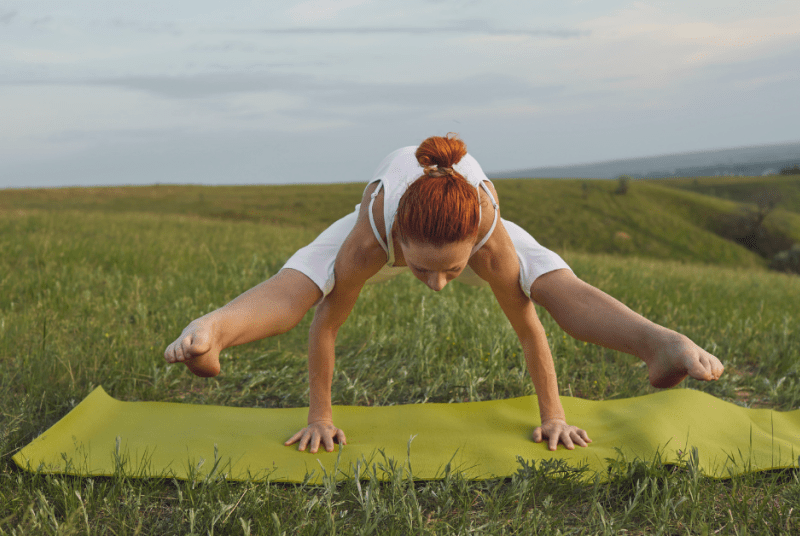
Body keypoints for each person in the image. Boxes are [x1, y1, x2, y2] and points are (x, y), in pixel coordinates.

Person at [164, 134, 724, 453]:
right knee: (299, 288)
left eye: (453, 272)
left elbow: (529, 327)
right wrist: (319, 415)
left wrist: (554, 413)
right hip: (386, 220)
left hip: (461, 224)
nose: (436, 285)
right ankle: (213, 332)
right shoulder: (370, 234)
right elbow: (326, 324)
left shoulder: (487, 234)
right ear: (399, 243)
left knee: (555, 286)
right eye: (423, 270)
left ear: (474, 247)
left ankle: (660, 345)